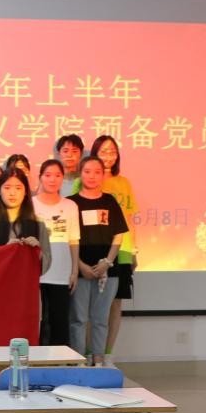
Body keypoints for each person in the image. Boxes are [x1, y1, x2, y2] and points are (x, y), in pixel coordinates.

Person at [68, 156, 128, 366]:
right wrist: (80, 266)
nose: (92, 176)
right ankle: (78, 359)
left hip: (107, 270)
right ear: (80, 174)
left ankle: (99, 359)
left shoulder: (110, 201)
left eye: (96, 172)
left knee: (100, 317)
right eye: (87, 171)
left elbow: (119, 235)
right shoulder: (71, 203)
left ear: (103, 175)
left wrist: (107, 262)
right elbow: (68, 238)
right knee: (78, 319)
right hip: (80, 269)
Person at [91, 134, 139, 365]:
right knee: (92, 303)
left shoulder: (124, 183)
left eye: (112, 151)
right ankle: (92, 354)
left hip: (123, 248)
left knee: (115, 303)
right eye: (103, 151)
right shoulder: (89, 180)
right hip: (97, 247)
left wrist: (134, 250)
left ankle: (108, 354)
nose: (108, 155)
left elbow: (129, 219)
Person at [33, 159, 81, 346]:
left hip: (62, 273)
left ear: (63, 178)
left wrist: (74, 270)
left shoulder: (70, 206)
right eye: (48, 175)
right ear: (40, 178)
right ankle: (36, 358)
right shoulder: (30, 204)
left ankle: (57, 359)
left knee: (59, 320)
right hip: (36, 272)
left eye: (57, 175)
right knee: (38, 321)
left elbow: (74, 240)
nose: (52, 179)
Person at [0, 168, 51, 276]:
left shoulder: (38, 224)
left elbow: (46, 265)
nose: (12, 193)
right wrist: (5, 251)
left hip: (26, 284)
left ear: (25, 192)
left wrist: (37, 251)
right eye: (7, 188)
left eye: (18, 188)